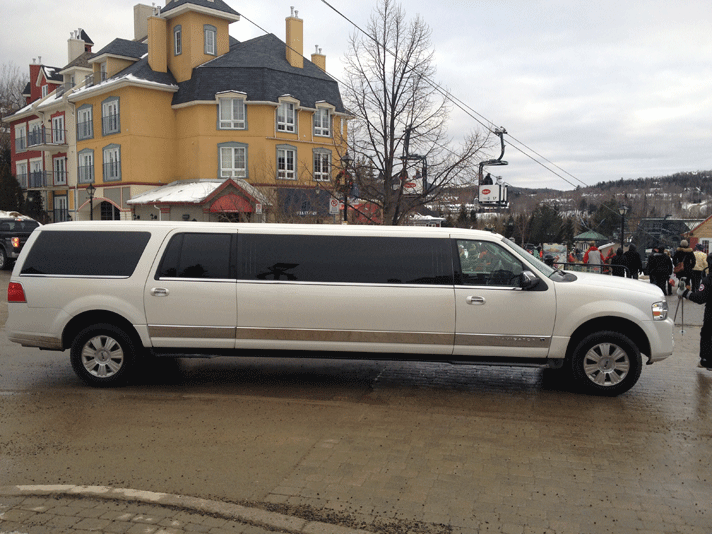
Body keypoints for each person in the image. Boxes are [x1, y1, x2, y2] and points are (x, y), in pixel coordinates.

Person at [677, 256, 712, 370]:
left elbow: (700, 298)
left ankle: (706, 360)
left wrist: (685, 293)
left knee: (707, 335)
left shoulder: (709, 279)